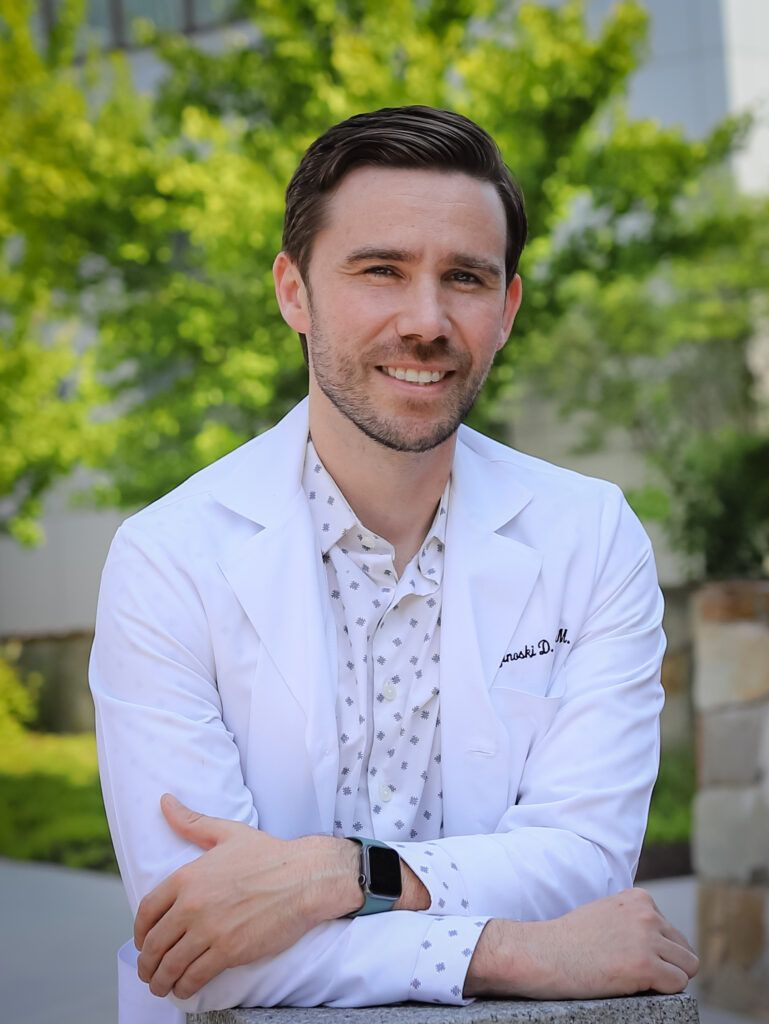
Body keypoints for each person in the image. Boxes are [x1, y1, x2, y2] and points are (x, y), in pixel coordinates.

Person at [90, 105, 698, 1024]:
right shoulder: (168, 558)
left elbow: (582, 857)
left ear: (507, 308)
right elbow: (194, 944)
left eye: (464, 278)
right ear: (294, 292)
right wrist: (512, 947)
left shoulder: (592, 535)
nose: (426, 320)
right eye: (380, 271)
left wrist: (332, 876)